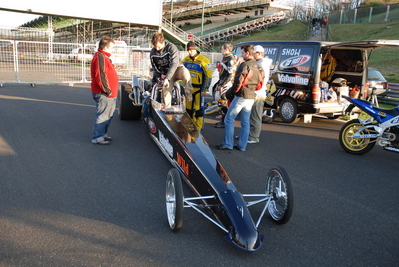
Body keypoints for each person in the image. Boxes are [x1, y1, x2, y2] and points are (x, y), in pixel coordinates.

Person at [216, 44, 261, 152]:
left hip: (242, 95)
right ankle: (242, 145)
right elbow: (260, 83)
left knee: (228, 119)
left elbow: (238, 82)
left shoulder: (245, 65)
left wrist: (230, 94)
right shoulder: (257, 66)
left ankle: (228, 144)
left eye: (242, 52)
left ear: (247, 53)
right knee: (245, 122)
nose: (241, 55)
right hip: (251, 96)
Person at [150, 32, 193, 108]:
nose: (157, 49)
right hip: (166, 74)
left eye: (158, 47)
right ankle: (167, 109)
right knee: (166, 91)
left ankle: (189, 94)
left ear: (163, 42)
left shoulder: (171, 47)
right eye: (155, 46)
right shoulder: (153, 52)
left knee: (186, 73)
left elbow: (174, 64)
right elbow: (155, 68)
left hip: (177, 69)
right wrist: (159, 78)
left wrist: (167, 78)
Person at [90, 36, 119, 145]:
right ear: (105, 47)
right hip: (104, 93)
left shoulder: (104, 57)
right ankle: (97, 137)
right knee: (103, 114)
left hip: (109, 93)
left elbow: (104, 72)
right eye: (111, 47)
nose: (112, 50)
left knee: (108, 114)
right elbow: (101, 75)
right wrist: (107, 90)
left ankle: (102, 134)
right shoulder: (100, 57)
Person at [182, 41, 213, 131]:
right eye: (188, 50)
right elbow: (180, 72)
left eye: (191, 50)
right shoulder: (185, 60)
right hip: (189, 89)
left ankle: (199, 129)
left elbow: (209, 76)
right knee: (188, 110)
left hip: (199, 90)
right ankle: (189, 128)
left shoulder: (204, 60)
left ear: (195, 49)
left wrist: (205, 89)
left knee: (198, 110)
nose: (189, 52)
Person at [248, 45, 272, 144]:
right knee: (250, 114)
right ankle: (248, 134)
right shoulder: (259, 63)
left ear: (259, 53)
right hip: (256, 91)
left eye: (254, 52)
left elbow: (259, 80)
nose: (252, 54)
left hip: (258, 92)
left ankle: (254, 137)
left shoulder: (262, 64)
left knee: (255, 115)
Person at [213, 43, 238, 128]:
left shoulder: (231, 59)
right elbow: (223, 74)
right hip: (223, 81)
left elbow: (230, 74)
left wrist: (222, 84)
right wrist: (219, 83)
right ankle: (223, 120)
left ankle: (226, 121)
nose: (221, 50)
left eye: (222, 49)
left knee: (223, 102)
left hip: (227, 83)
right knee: (220, 101)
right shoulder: (225, 58)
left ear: (226, 49)